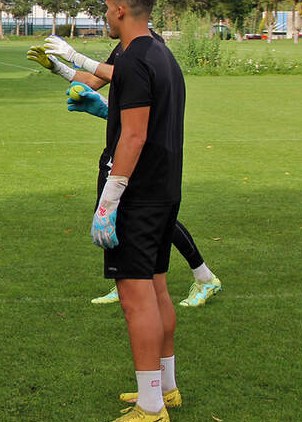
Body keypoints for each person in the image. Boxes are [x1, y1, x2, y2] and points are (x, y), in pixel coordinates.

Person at [60, 0, 185, 422]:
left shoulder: (134, 59)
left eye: (106, 8)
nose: (104, 15)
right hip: (164, 189)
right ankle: (164, 385)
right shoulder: (160, 53)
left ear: (118, 10)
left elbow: (133, 135)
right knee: (156, 288)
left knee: (136, 298)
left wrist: (110, 199)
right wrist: (75, 76)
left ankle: (151, 409)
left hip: (137, 194)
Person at [27, 34, 221, 310]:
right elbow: (96, 80)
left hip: (143, 155)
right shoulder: (124, 47)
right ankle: (125, 281)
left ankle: (204, 277)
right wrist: (60, 69)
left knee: (155, 219)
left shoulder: (150, 47)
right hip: (116, 147)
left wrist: (75, 56)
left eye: (109, 7)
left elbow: (129, 79)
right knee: (113, 218)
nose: (106, 16)